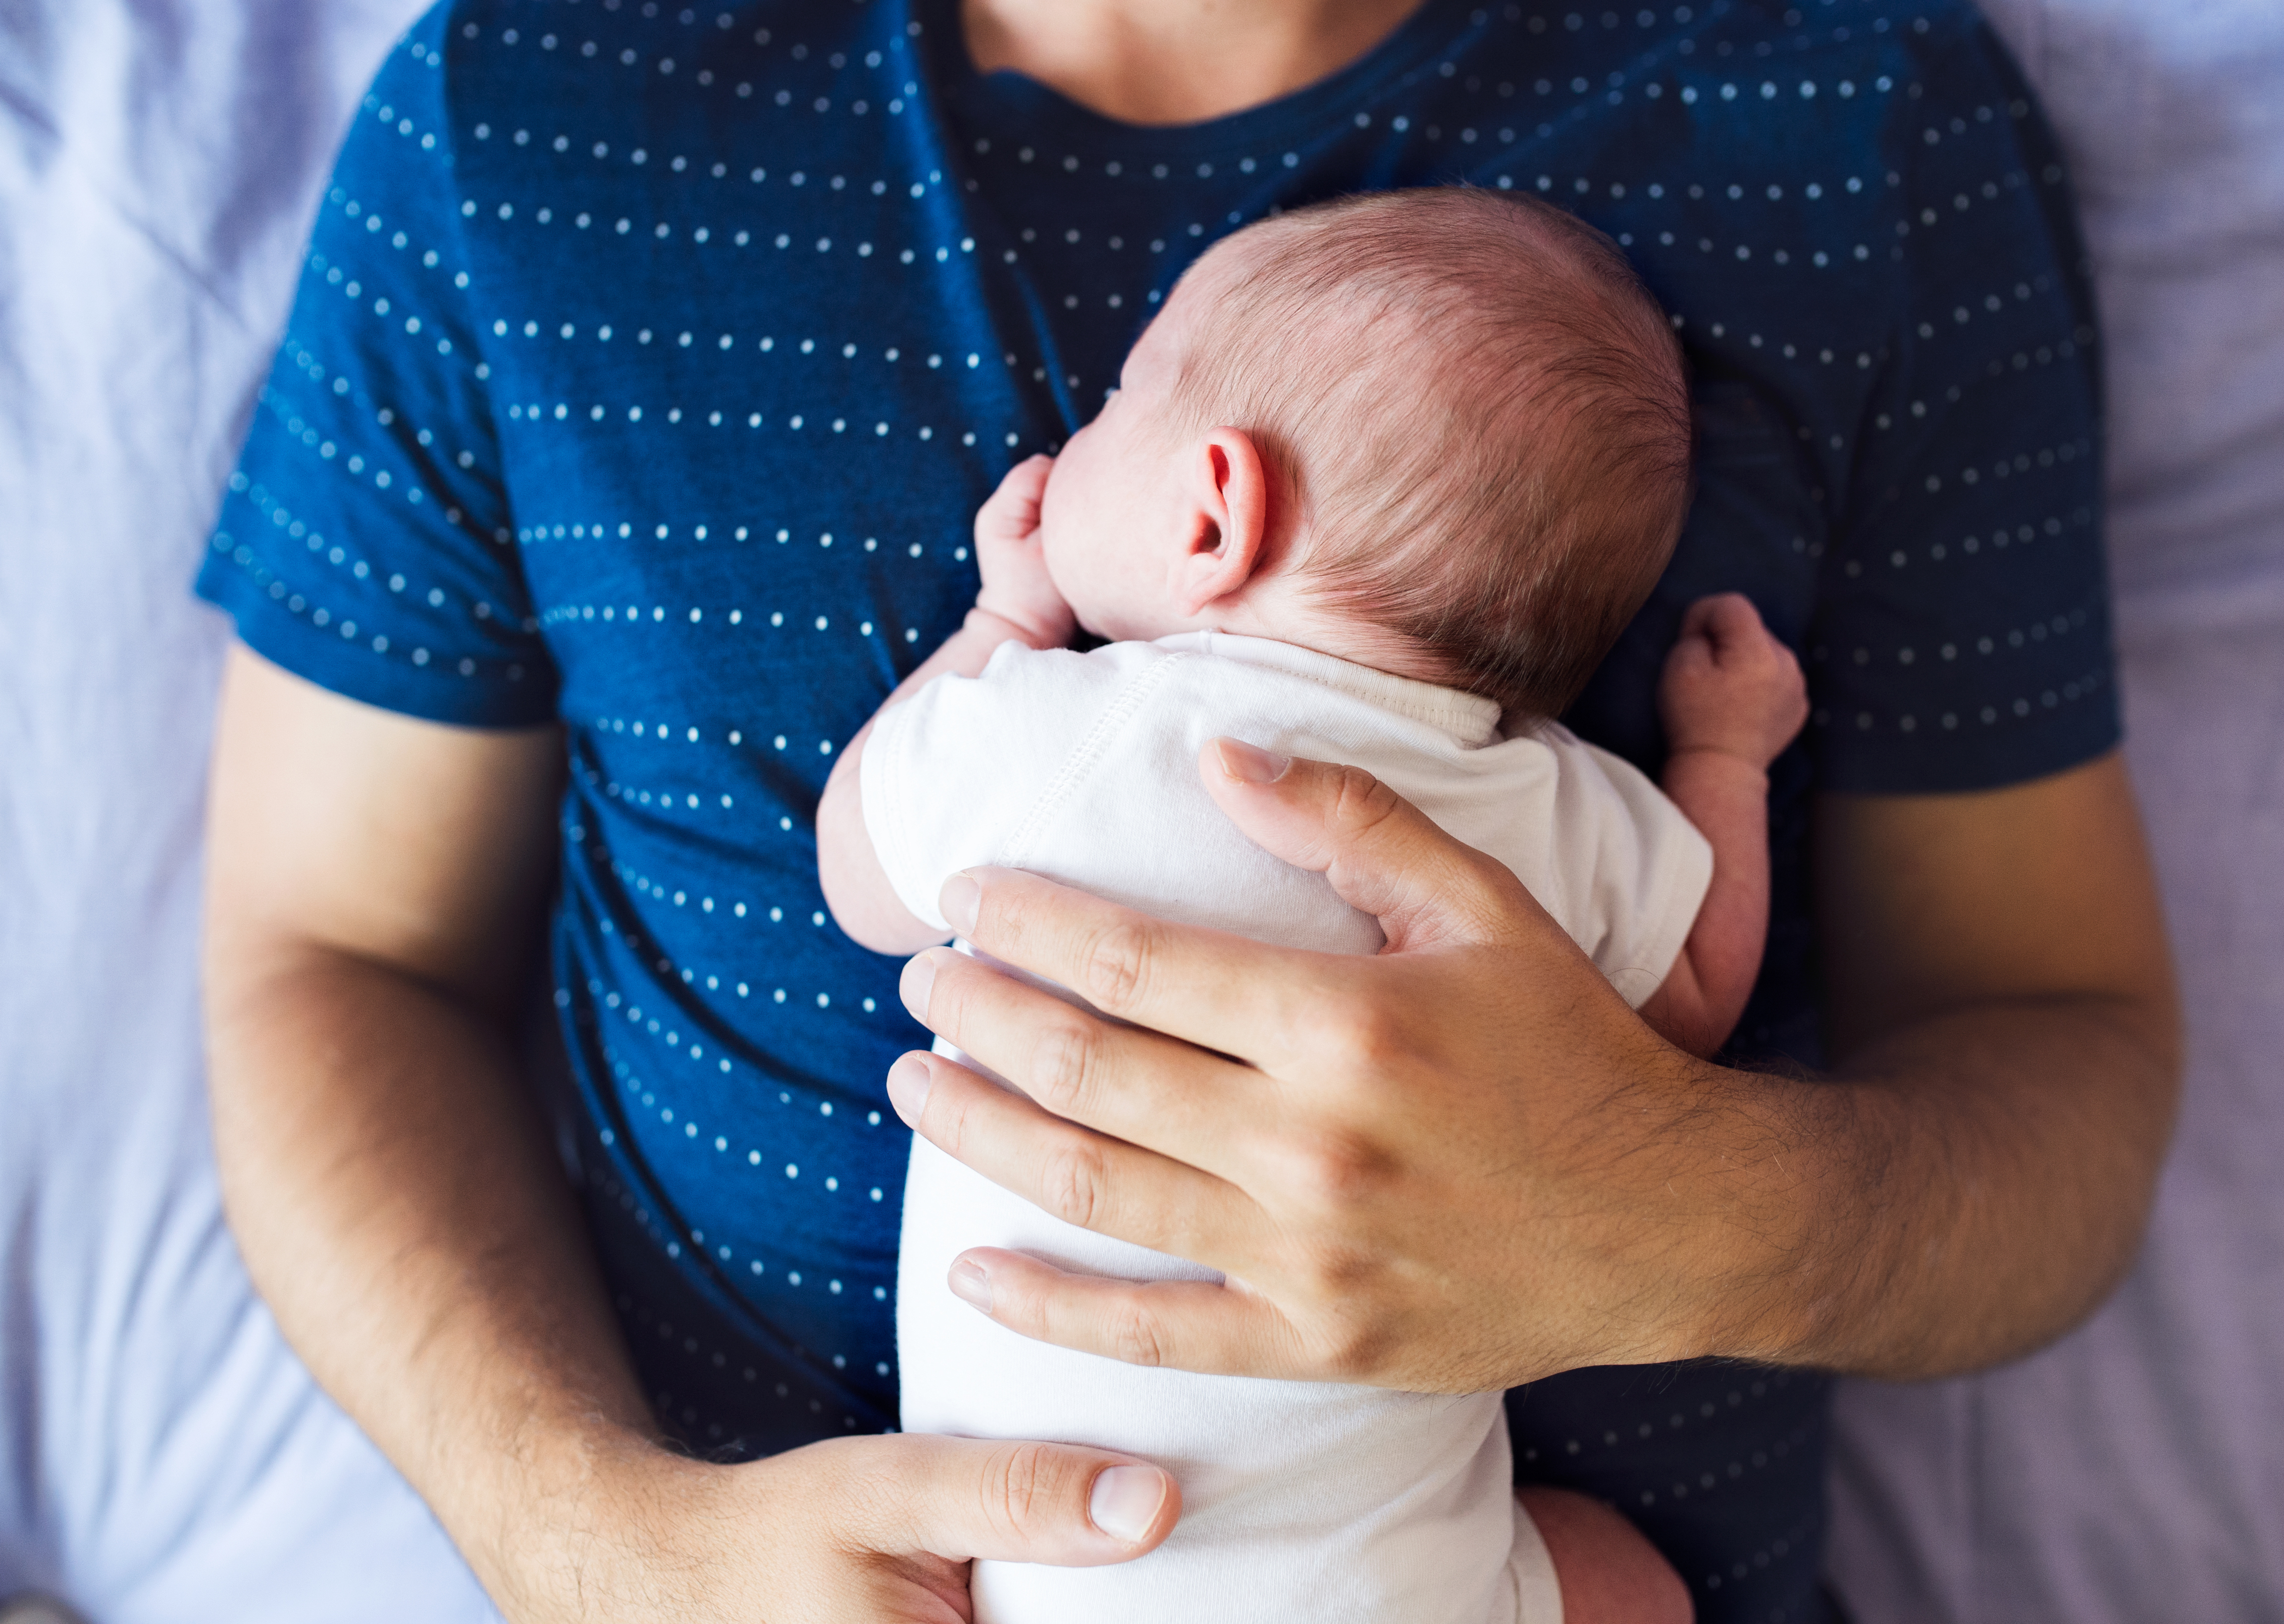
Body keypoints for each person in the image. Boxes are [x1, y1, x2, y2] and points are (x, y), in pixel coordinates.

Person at [196, 2, 2178, 1621]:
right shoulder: (528, 107)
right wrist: (584, 1545)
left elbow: (2055, 1052)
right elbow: (330, 955)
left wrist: (1675, 1222)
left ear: (1210, 504)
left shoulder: (1844, 100)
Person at [820, 188, 1806, 1623]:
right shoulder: (1547, 808)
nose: (1078, 436)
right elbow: (1703, 995)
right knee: (1631, 1580)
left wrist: (1001, 630)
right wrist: (1725, 757)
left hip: (1054, 1562)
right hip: (1405, 1587)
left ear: (1215, 509)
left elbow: (858, 880)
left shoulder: (1065, 731)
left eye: (1117, 404)